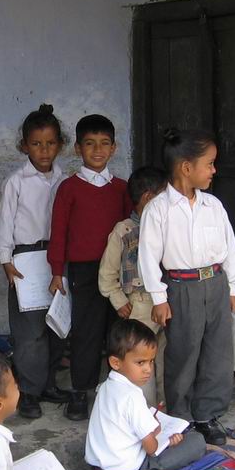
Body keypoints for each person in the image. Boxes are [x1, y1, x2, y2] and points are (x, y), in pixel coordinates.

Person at [138, 128, 235, 446]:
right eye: (209, 164)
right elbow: (148, 257)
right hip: (181, 288)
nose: (214, 170)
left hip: (216, 284)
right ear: (186, 167)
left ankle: (207, 415)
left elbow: (230, 249)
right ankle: (181, 418)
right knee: (183, 354)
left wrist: (233, 288)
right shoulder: (158, 209)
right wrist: (159, 297)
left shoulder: (214, 205)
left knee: (217, 353)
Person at [48, 114, 132, 421]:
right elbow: (59, 232)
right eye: (90, 144)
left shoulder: (122, 188)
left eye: (104, 144)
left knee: (119, 331)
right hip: (83, 271)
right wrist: (57, 271)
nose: (98, 150)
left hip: (118, 271)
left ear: (114, 148)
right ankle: (81, 392)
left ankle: (118, 393)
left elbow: (131, 231)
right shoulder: (69, 188)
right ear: (77, 148)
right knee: (86, 332)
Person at [0, 104, 71, 420]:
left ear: (60, 145)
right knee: (30, 332)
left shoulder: (65, 180)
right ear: (24, 146)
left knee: (56, 325)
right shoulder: (16, 181)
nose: (44, 150)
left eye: (50, 143)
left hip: (56, 257)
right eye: (37, 144)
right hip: (25, 259)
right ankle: (28, 391)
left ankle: (48, 384)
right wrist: (6, 260)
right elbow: (5, 222)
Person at [85, 320, 206, 470]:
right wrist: (166, 442)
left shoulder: (105, 386)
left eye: (151, 361)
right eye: (140, 362)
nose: (148, 369)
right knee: (196, 441)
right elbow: (151, 449)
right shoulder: (132, 396)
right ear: (115, 362)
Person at [98, 165, 169, 406]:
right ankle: (141, 411)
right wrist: (119, 301)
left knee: (164, 358)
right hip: (139, 306)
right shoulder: (124, 231)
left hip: (165, 303)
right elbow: (107, 274)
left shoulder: (167, 229)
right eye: (163, 197)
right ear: (148, 198)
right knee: (140, 361)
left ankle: (163, 411)